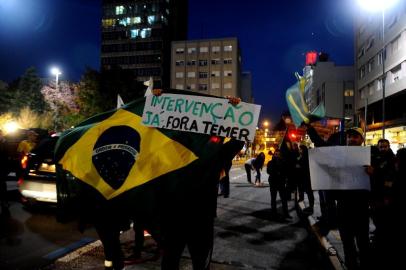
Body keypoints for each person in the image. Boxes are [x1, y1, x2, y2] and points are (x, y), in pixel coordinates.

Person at [335, 127, 371, 270]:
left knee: (363, 242)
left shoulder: (371, 155)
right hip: (343, 207)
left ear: (362, 140)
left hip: (361, 208)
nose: (351, 139)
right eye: (349, 136)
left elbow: (385, 177)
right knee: (347, 242)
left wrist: (374, 173)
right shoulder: (338, 156)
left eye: (355, 137)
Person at [369, 138, 396, 249]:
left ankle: (381, 238)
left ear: (389, 147)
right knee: (375, 214)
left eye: (385, 146)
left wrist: (375, 173)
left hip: (385, 194)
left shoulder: (393, 159)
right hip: (375, 192)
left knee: (383, 216)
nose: (383, 148)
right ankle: (378, 233)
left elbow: (389, 177)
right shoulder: (374, 157)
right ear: (378, 147)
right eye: (381, 147)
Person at [266, 148, 291, 219]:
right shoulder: (270, 162)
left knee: (284, 199)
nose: (277, 155)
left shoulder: (283, 162)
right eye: (276, 154)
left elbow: (286, 171)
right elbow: (268, 171)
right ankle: (274, 213)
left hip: (281, 182)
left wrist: (284, 177)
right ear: (274, 154)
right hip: (273, 182)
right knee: (273, 198)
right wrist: (276, 172)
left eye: (278, 154)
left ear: (280, 155)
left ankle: (286, 213)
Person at [296, 145, 314, 214]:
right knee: (309, 192)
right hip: (305, 177)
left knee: (309, 192)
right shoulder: (303, 156)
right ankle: (310, 206)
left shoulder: (305, 156)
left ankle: (311, 207)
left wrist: (299, 165)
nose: (299, 150)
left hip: (307, 177)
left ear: (303, 150)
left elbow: (303, 165)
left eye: (300, 149)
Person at [0, 130, 10, 216]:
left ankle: (4, 202)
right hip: (3, 166)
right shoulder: (4, 142)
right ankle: (4, 202)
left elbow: (6, 155)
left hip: (2, 167)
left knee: (2, 185)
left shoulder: (5, 142)